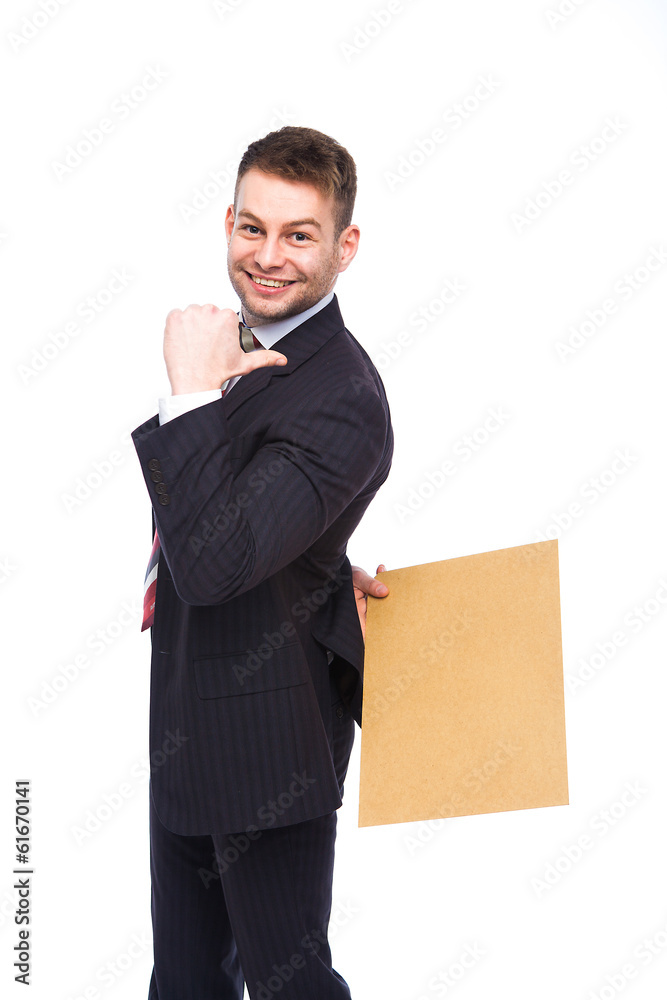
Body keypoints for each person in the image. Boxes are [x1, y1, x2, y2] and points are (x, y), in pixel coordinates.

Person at [131, 126, 393, 999]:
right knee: (185, 983)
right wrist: (313, 559)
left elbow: (211, 563)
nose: (268, 256)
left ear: (344, 247)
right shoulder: (246, 351)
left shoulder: (341, 395)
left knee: (291, 986)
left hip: (267, 749)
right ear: (228, 223)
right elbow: (234, 519)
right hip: (187, 719)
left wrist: (188, 395)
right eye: (253, 228)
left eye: (299, 234)